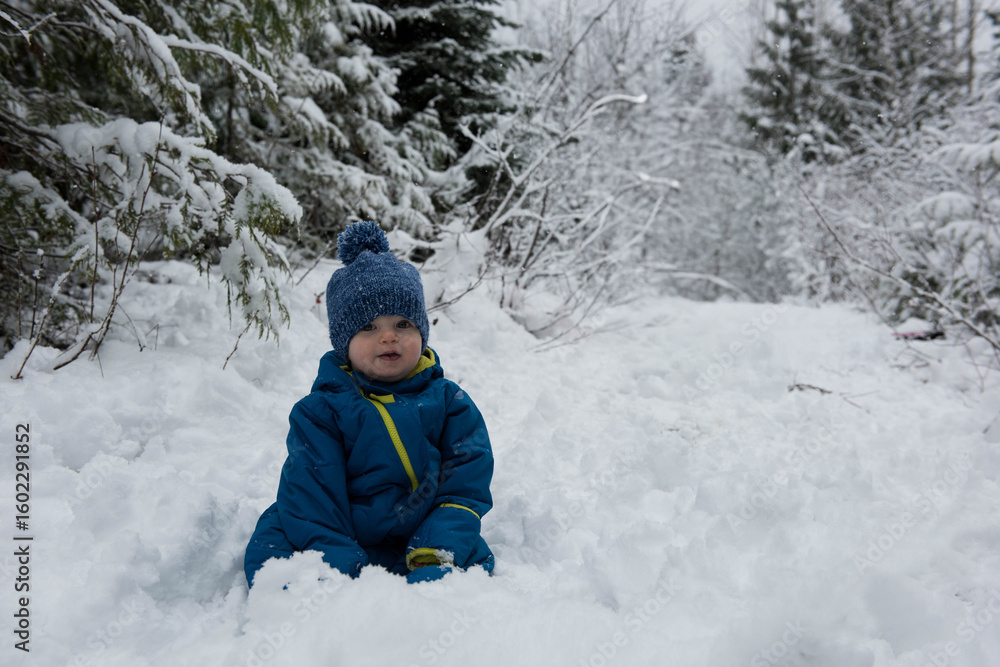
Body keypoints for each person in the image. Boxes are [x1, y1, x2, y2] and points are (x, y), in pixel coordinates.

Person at [244, 221, 495, 586]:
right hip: (340, 528)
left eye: (403, 323)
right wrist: (339, 565)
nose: (389, 336)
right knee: (276, 542)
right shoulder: (322, 411)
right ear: (343, 343)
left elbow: (465, 484)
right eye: (369, 327)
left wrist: (435, 546)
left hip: (422, 530)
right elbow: (312, 494)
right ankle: (325, 588)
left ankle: (429, 574)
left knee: (465, 556)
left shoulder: (448, 400)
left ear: (422, 334)